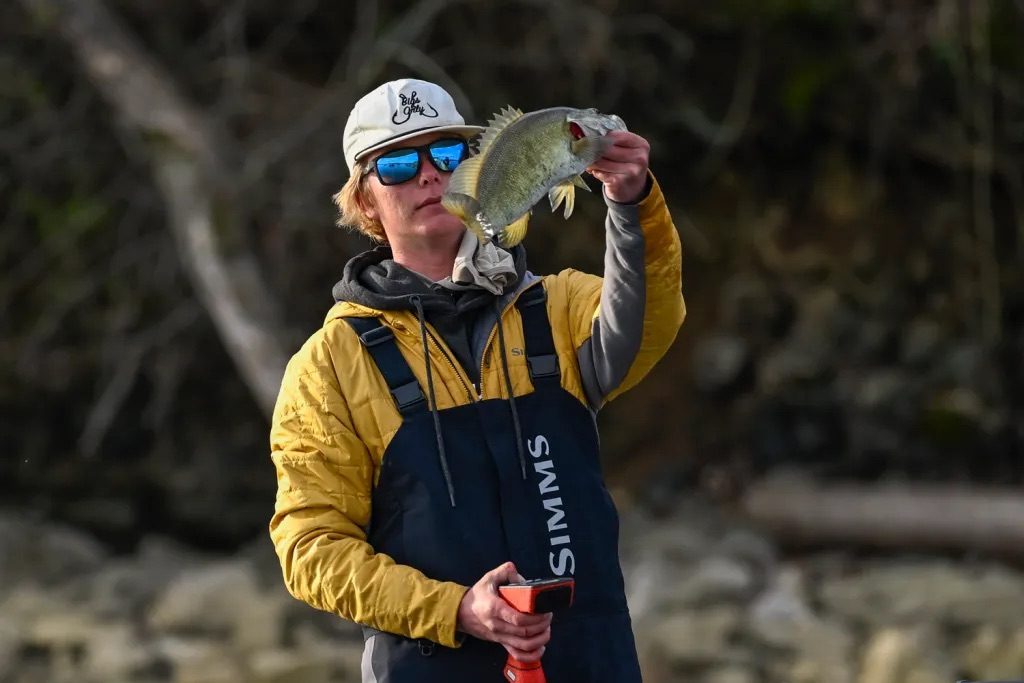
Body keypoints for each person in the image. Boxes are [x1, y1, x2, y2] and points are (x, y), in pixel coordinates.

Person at [268, 77, 685, 682]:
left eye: (445, 154)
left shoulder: (560, 306)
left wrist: (632, 201)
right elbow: (311, 548)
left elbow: (653, 320)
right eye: (399, 164)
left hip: (589, 661)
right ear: (363, 201)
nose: (429, 176)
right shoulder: (330, 364)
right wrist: (457, 609)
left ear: (471, 166)